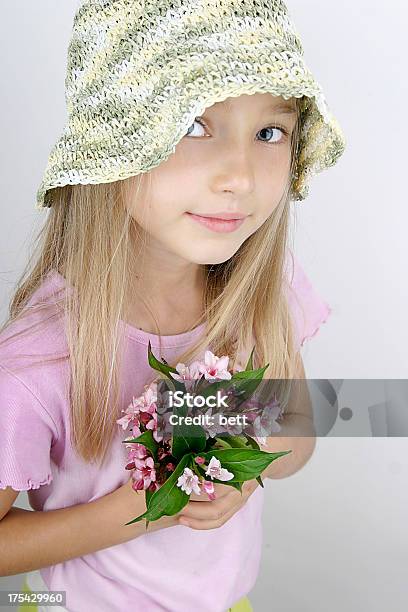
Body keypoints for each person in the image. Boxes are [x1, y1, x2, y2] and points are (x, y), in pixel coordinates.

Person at [0, 0, 345, 611]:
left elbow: (296, 440)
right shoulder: (37, 361)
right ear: (110, 149)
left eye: (270, 132)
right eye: (191, 123)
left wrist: (238, 464)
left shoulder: (264, 291)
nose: (239, 175)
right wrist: (149, 507)